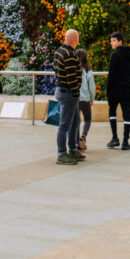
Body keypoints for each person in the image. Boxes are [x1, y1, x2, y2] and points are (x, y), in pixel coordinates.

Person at [53, 29, 84, 165]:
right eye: (77, 39)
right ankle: (62, 153)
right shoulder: (69, 54)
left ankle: (72, 149)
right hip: (68, 93)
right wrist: (76, 92)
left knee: (75, 122)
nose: (77, 42)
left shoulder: (59, 51)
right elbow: (71, 77)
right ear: (73, 40)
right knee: (65, 125)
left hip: (62, 90)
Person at [106, 32, 130, 151]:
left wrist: (108, 89)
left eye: (114, 41)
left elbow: (112, 74)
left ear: (120, 42)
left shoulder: (115, 55)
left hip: (115, 89)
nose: (112, 43)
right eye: (111, 41)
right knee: (127, 114)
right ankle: (125, 141)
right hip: (127, 90)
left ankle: (115, 138)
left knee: (112, 112)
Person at [77, 48, 96, 151]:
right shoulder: (88, 71)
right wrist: (92, 98)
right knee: (88, 119)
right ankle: (83, 136)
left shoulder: (74, 70)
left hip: (76, 98)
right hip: (85, 99)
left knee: (76, 121)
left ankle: (76, 142)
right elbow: (92, 87)